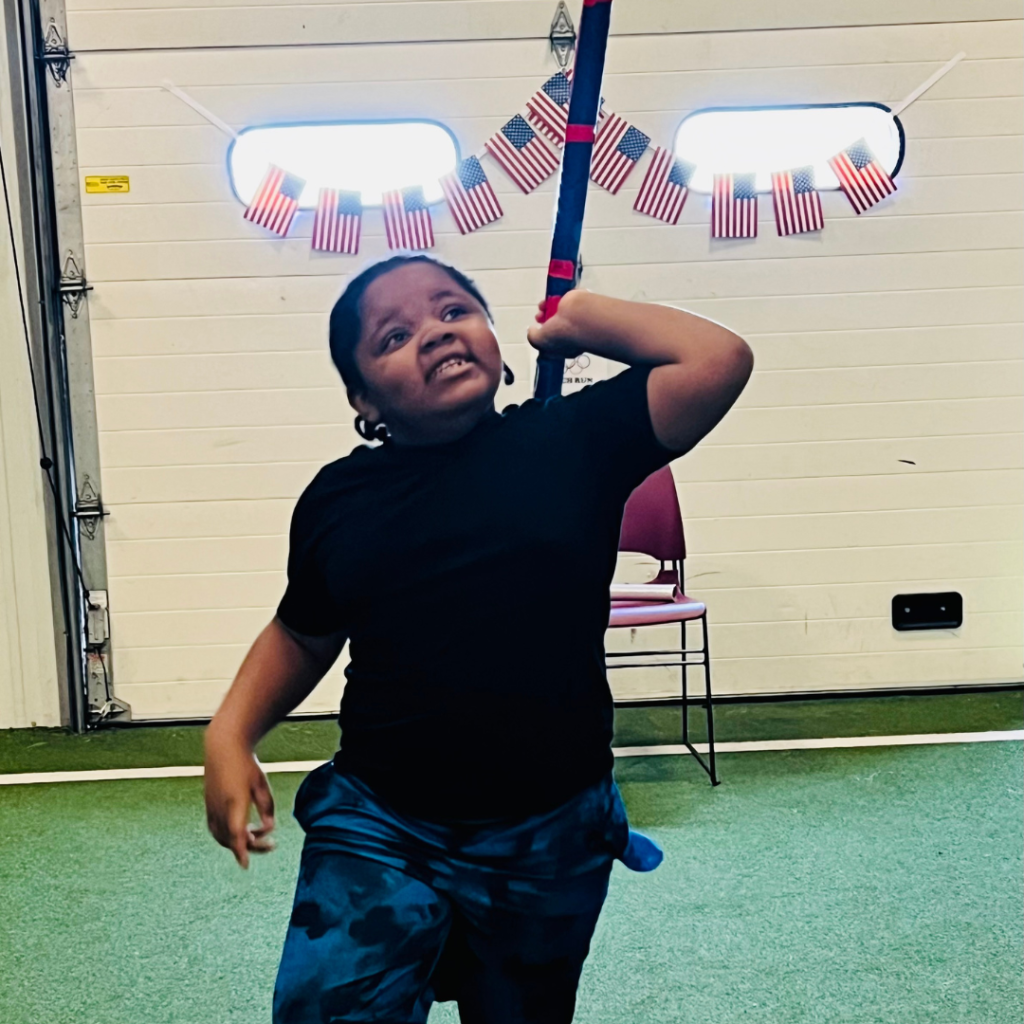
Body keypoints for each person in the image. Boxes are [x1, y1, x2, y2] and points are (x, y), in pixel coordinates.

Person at [203, 253, 753, 1024]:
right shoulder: (339, 499)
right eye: (394, 336)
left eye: (454, 310)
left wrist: (585, 318)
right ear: (363, 399)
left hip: (549, 830)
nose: (433, 332)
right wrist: (230, 734)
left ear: (495, 339)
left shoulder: (574, 441)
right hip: (382, 819)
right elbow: (302, 633)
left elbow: (717, 359)